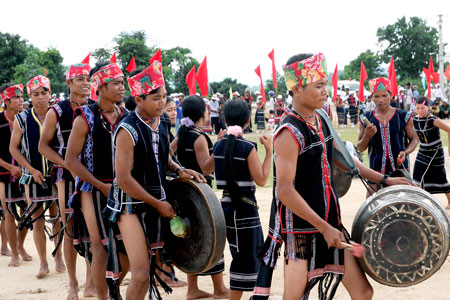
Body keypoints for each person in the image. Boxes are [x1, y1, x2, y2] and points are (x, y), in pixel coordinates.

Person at [251, 53, 413, 300]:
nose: (325, 91)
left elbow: (345, 160)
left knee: (363, 292)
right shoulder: (289, 131)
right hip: (302, 231)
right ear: (296, 88)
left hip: (328, 221)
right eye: (318, 86)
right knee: (293, 298)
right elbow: (284, 191)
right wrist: (324, 228)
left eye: (325, 84)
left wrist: (386, 180)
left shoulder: (320, 119)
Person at [103, 62, 201, 300]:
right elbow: (124, 179)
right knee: (140, 273)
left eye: (165, 97)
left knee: (141, 268)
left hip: (155, 200)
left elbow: (162, 154)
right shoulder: (127, 130)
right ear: (138, 99)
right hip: (129, 204)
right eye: (156, 98)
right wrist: (157, 204)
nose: (163, 103)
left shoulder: (163, 122)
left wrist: (179, 169)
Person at [65, 62, 129, 300]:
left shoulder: (126, 116)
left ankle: (112, 290)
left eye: (123, 82)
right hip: (92, 189)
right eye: (116, 83)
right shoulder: (85, 117)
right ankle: (104, 297)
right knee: (100, 248)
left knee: (128, 249)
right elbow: (71, 160)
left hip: (123, 188)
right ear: (101, 87)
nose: (122, 87)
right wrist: (100, 185)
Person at [38, 62, 95, 299]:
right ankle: (73, 283)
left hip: (92, 176)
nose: (85, 83)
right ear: (69, 83)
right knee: (69, 229)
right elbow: (43, 146)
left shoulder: (96, 108)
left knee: (94, 231)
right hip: (66, 177)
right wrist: (66, 165)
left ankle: (92, 281)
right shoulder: (57, 112)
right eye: (79, 79)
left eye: (88, 78)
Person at [214, 99, 271, 300]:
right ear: (248, 121)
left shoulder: (218, 146)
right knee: (247, 256)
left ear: (225, 119)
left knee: (240, 253)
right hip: (245, 209)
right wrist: (270, 151)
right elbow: (262, 179)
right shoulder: (247, 147)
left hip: (226, 207)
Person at [9, 75, 65, 278]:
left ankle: (58, 255)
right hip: (32, 176)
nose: (40, 98)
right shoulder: (22, 119)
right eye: (35, 94)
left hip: (57, 174)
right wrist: (30, 170)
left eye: (44, 93)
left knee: (58, 216)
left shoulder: (57, 115)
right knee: (38, 219)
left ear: (50, 94)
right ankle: (43, 262)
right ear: (29, 96)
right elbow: (14, 149)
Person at [176, 95, 229, 300]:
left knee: (192, 238)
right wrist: (220, 145)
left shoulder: (183, 132)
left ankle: (192, 289)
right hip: (201, 191)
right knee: (212, 235)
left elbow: (168, 152)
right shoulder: (198, 136)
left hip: (186, 192)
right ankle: (220, 288)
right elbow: (205, 167)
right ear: (203, 113)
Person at [357, 77, 418, 193]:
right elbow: (360, 147)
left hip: (400, 170)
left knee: (403, 202)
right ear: (372, 98)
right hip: (376, 171)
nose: (381, 100)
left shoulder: (403, 116)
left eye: (384, 95)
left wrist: (405, 152)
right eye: (377, 96)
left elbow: (414, 139)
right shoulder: (366, 118)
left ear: (391, 95)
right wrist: (367, 135)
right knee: (373, 205)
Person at [0, 83, 32, 267]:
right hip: (5, 173)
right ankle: (13, 253)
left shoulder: (27, 119)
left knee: (29, 212)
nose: (21, 100)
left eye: (21, 97)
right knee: (8, 214)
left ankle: (19, 246)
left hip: (26, 172)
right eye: (17, 98)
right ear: (6, 101)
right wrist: (10, 167)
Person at [413, 96, 450, 209]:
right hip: (422, 151)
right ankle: (420, 204)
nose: (420, 110)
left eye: (423, 108)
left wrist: (449, 147)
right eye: (418, 108)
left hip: (435, 152)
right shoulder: (414, 119)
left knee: (440, 177)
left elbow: (449, 129)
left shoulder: (433, 120)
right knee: (417, 177)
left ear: (428, 107)